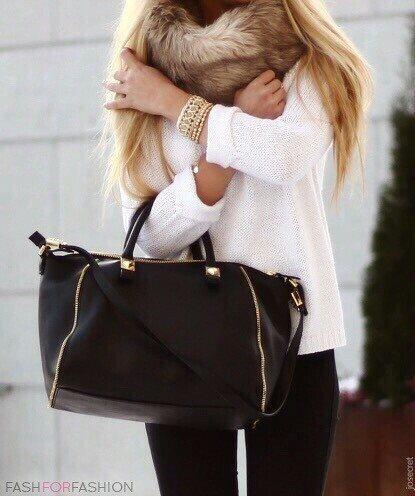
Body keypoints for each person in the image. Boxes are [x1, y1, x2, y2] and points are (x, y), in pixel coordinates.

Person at [102, 0, 372, 494]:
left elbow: (285, 156)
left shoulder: (300, 53)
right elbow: (148, 241)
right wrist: (223, 147)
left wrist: (177, 105)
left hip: (294, 341)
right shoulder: (145, 68)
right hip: (182, 349)